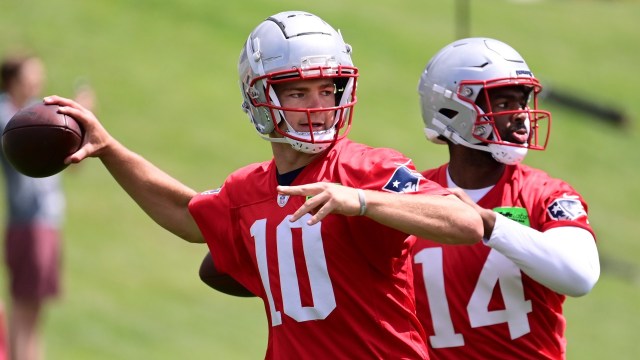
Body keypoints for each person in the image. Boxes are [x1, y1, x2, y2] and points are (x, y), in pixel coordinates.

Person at [44, 11, 484, 359]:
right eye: (298, 93)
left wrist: (362, 201)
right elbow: (186, 214)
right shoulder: (247, 190)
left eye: (328, 90)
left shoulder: (367, 169)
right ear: (261, 98)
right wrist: (109, 149)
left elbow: (465, 222)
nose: (319, 106)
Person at [411, 37, 600, 359]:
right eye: (503, 104)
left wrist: (487, 223)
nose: (522, 116)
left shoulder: (545, 194)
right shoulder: (413, 194)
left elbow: (579, 275)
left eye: (522, 102)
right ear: (453, 110)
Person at [0, 53, 95, 360]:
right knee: (25, 308)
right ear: (14, 80)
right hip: (29, 222)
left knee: (35, 310)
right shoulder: (9, 118)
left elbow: (70, 163)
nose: (38, 81)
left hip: (44, 221)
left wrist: (79, 127)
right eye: (32, 75)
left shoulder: (27, 115)